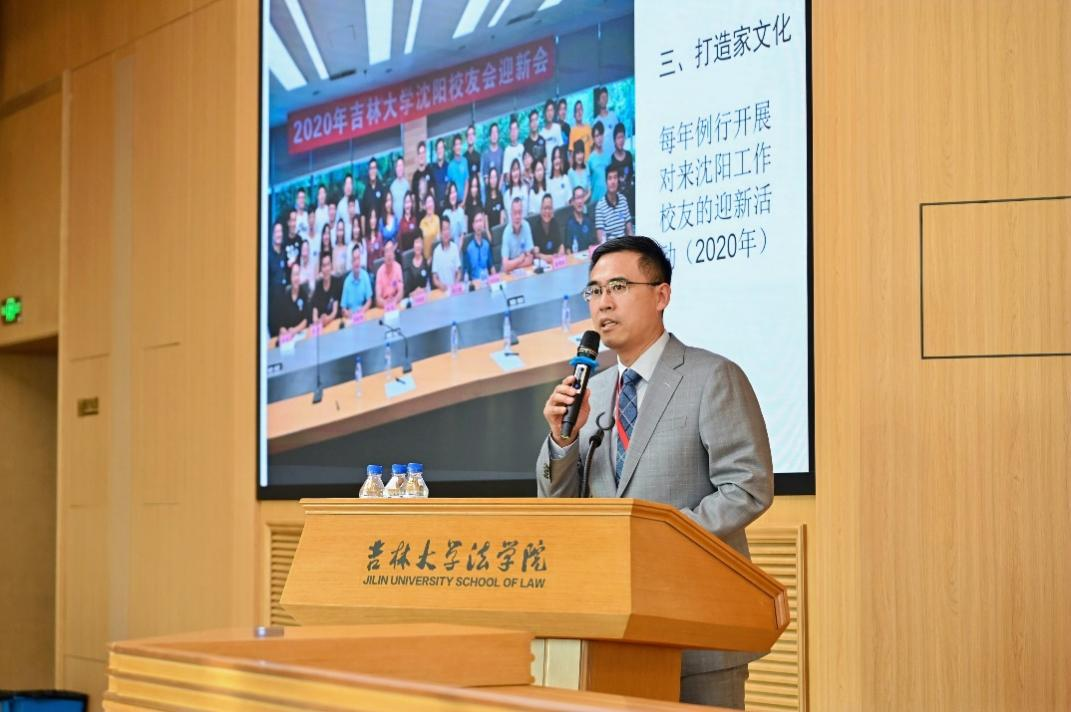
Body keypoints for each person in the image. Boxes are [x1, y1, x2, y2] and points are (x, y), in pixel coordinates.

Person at [536, 235, 773, 710]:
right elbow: (558, 505)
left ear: (661, 295)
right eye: (594, 290)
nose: (603, 303)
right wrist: (562, 440)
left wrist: (658, 538)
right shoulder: (592, 392)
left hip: (697, 627)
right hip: (612, 632)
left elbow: (748, 486)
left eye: (618, 287)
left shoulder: (711, 376)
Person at [595, 165, 633, 242]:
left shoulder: (623, 200)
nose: (613, 182)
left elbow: (629, 230)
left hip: (625, 245)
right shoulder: (600, 206)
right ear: (606, 182)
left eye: (615, 178)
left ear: (618, 181)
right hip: (610, 246)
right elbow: (600, 239)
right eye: (610, 178)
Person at [271, 262, 310, 339]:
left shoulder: (304, 294)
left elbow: (306, 320)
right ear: (290, 277)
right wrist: (283, 330)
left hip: (300, 336)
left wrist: (295, 330)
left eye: (298, 274)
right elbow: (281, 323)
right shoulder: (284, 297)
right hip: (287, 338)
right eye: (294, 275)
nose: (296, 278)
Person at [340, 244, 373, 319]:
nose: (356, 262)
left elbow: (369, 301)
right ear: (351, 262)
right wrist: (348, 314)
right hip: (351, 318)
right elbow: (343, 309)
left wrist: (362, 311)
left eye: (358, 258)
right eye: (354, 259)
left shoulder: (365, 275)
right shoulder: (347, 281)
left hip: (363, 315)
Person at [502, 197, 535, 272]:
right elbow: (505, 266)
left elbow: (530, 259)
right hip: (509, 273)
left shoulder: (526, 226)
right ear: (511, 214)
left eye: (519, 212)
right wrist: (520, 259)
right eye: (515, 213)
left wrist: (513, 266)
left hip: (523, 270)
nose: (517, 216)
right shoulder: (506, 232)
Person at [608, 122, 635, 212]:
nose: (621, 140)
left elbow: (632, 174)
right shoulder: (611, 159)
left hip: (631, 196)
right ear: (614, 140)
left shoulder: (629, 156)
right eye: (618, 138)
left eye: (622, 137)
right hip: (618, 199)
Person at [310, 252, 342, 327]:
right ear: (321, 269)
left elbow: (335, 311)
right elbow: (315, 310)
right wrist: (317, 320)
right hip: (321, 325)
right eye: (324, 266)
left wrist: (328, 318)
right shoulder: (318, 286)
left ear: (331, 266)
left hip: (334, 323)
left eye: (328, 265)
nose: (326, 269)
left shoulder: (336, 283)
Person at [431, 214, 461, 290]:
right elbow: (434, 278)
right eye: (444, 229)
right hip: (442, 290)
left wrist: (455, 284)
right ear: (440, 232)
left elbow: (459, 272)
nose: (446, 232)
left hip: (454, 289)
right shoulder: (436, 252)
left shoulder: (454, 248)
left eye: (448, 229)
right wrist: (441, 285)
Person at [532, 193, 564, 262]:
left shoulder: (555, 223)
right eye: (545, 208)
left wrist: (560, 253)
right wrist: (551, 258)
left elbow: (560, 245)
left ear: (552, 210)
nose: (547, 211)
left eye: (549, 208)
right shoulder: (535, 228)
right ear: (540, 210)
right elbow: (536, 254)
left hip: (556, 263)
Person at [564, 186, 596, 253]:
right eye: (577, 198)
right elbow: (568, 249)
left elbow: (594, 244)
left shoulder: (589, 220)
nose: (580, 201)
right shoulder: (569, 224)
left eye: (581, 197)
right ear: (573, 201)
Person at [465, 211, 495, 280]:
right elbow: (466, 273)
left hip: (487, 280)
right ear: (473, 225)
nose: (479, 224)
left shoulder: (486, 244)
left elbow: (491, 266)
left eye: (480, 221)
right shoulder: (469, 248)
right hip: (475, 282)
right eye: (476, 221)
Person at [375, 240, 404, 308]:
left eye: (391, 251)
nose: (389, 254)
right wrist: (387, 304)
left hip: (396, 303)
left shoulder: (398, 267)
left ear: (394, 254)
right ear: (384, 255)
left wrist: (394, 302)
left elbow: (401, 291)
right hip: (384, 306)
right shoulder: (379, 272)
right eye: (387, 251)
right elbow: (378, 298)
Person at [587, 121, 611, 204]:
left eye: (601, 135)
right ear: (593, 139)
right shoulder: (590, 159)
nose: (599, 138)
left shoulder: (608, 157)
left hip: (608, 199)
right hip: (595, 200)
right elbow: (588, 183)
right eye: (597, 136)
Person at [361, 160, 386, 226]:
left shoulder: (382, 188)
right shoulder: (365, 191)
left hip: (381, 227)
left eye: (374, 168)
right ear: (368, 171)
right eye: (371, 168)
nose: (372, 171)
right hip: (369, 229)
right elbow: (363, 215)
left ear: (377, 170)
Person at [479, 122, 503, 191]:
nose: (494, 135)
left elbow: (502, 174)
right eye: (492, 133)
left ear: (498, 135)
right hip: (489, 190)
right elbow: (485, 176)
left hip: (500, 189)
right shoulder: (485, 154)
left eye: (496, 132)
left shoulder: (501, 152)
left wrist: (498, 189)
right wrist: (492, 191)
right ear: (490, 136)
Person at [547, 145, 572, 210]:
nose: (557, 160)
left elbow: (569, 201)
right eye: (555, 158)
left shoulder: (565, 179)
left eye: (559, 157)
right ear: (552, 161)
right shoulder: (548, 181)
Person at [501, 116, 525, 184]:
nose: (513, 132)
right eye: (511, 130)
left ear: (518, 130)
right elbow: (506, 173)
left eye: (515, 129)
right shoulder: (507, 151)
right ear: (509, 132)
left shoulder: (522, 148)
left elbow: (524, 169)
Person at [337, 174, 360, 242]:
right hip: (344, 241)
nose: (348, 186)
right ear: (344, 186)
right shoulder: (340, 205)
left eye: (350, 184)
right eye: (347, 184)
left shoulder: (356, 202)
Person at [418, 193, 441, 261]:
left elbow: (438, 239)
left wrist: (432, 256)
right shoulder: (422, 223)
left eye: (431, 202)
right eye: (427, 202)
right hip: (426, 259)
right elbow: (421, 243)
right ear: (425, 206)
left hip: (437, 257)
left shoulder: (437, 219)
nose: (430, 204)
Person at [447, 134, 468, 200]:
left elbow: (466, 182)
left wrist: (464, 201)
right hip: (454, 201)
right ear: (453, 148)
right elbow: (449, 185)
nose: (458, 147)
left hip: (464, 200)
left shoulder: (465, 161)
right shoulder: (450, 166)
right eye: (456, 144)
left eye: (459, 144)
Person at [268, 221, 288, 289]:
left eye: (280, 231)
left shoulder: (285, 253)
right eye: (277, 232)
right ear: (272, 235)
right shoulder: (268, 256)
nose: (279, 234)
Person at [389, 156, 408, 223]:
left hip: (406, 222)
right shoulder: (392, 187)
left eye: (401, 165)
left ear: (403, 168)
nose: (399, 168)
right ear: (395, 169)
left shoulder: (407, 185)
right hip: (396, 223)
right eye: (398, 166)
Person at [430, 138, 449, 203]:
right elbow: (431, 189)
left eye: (441, 148)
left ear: (444, 150)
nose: (439, 150)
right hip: (436, 206)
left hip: (447, 204)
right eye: (438, 148)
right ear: (436, 151)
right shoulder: (432, 169)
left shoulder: (449, 167)